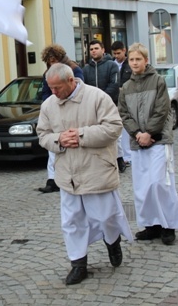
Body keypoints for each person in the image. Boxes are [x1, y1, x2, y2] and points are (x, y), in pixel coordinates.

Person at [36, 63, 133, 286]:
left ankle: (113, 240)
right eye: (50, 88)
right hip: (67, 173)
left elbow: (114, 128)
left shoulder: (97, 97)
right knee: (71, 221)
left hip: (96, 169)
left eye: (57, 87)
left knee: (105, 216)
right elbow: (43, 134)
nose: (54, 92)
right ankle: (78, 264)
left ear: (71, 81)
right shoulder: (49, 105)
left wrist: (80, 135)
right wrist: (58, 140)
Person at [118, 43, 178, 245]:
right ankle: (151, 225)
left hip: (158, 140)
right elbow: (124, 114)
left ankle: (168, 225)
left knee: (160, 183)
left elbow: (162, 110)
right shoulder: (126, 87)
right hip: (138, 142)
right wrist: (138, 133)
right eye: (132, 59)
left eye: (139, 59)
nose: (135, 63)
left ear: (146, 61)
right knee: (143, 187)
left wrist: (149, 132)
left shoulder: (158, 81)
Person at [37, 44, 83, 194]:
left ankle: (69, 178)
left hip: (72, 111)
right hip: (54, 111)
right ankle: (52, 179)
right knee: (54, 145)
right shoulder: (48, 73)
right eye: (49, 60)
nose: (52, 63)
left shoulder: (74, 69)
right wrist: (49, 103)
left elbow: (78, 90)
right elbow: (44, 92)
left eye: (54, 59)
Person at [83, 40, 125, 172]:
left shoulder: (111, 65)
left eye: (96, 48)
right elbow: (84, 88)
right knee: (95, 133)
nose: (93, 51)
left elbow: (114, 85)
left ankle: (119, 159)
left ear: (103, 49)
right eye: (91, 49)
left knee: (114, 134)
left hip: (110, 104)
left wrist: (102, 99)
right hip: (91, 106)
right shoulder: (86, 68)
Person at [110, 41, 133, 170]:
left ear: (124, 50)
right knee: (119, 130)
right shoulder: (112, 65)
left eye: (119, 53)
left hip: (127, 100)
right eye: (115, 53)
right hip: (115, 101)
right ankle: (122, 156)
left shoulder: (130, 64)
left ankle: (128, 156)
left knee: (127, 129)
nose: (117, 56)